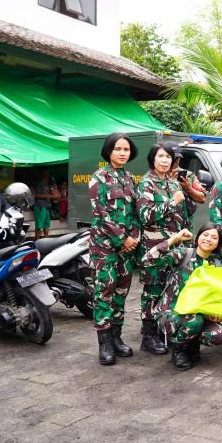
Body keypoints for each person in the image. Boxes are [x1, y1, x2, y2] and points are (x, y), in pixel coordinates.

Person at [137, 143, 193, 357]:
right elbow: (144, 217)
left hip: (176, 244)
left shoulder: (172, 182)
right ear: (153, 159)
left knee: (169, 288)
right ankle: (148, 336)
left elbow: (179, 215)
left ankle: (163, 332)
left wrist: (185, 232)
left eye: (168, 157)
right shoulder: (146, 184)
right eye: (161, 156)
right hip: (155, 246)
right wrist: (171, 202)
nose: (165, 160)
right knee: (152, 289)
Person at [89, 133, 140, 366]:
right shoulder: (99, 178)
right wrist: (122, 239)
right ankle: (105, 343)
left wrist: (134, 239)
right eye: (118, 149)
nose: (122, 153)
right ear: (108, 151)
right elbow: (101, 214)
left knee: (121, 293)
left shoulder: (130, 179)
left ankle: (117, 338)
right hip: (105, 247)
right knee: (104, 293)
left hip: (127, 249)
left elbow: (136, 214)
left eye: (126, 149)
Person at [146, 223, 222, 371]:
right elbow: (148, 259)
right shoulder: (183, 254)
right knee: (194, 320)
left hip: (200, 314)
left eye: (214, 237)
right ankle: (179, 350)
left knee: (218, 334)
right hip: (171, 313)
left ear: (218, 244)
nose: (209, 239)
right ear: (198, 236)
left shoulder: (216, 264)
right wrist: (174, 239)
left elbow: (217, 294)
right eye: (205, 234)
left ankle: (192, 343)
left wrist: (216, 313)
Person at [32, 168, 57, 240]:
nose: (46, 175)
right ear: (42, 174)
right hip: (40, 206)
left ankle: (46, 241)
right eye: (44, 173)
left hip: (47, 206)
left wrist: (52, 190)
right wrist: (48, 195)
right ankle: (36, 241)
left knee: (46, 225)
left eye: (47, 173)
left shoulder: (50, 184)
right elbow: (36, 195)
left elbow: (56, 195)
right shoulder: (39, 184)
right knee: (39, 226)